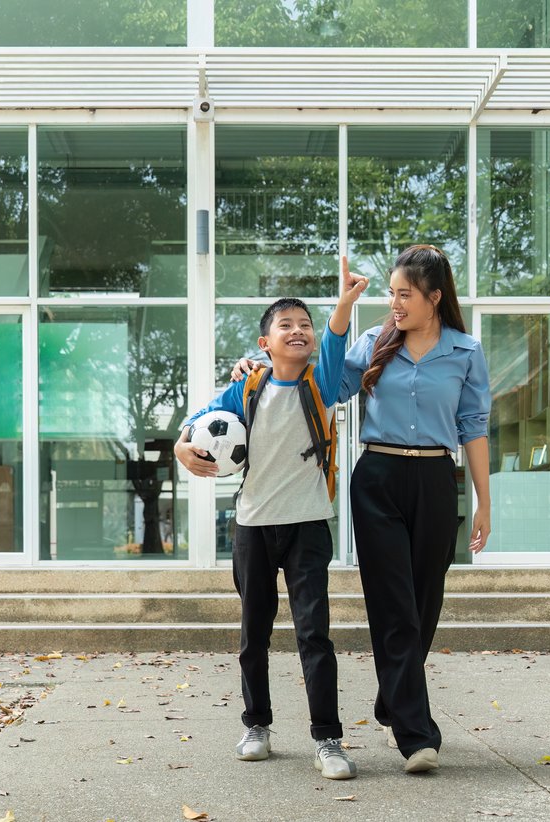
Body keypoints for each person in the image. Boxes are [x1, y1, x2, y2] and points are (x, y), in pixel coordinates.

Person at [235, 245, 492, 774]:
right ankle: (416, 735)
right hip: (376, 478)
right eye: (393, 293)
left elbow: (474, 427)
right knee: (393, 603)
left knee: (424, 603)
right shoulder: (375, 341)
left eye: (405, 295)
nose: (394, 304)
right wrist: (262, 361)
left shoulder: (466, 351)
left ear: (434, 298)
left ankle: (394, 695)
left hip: (437, 478)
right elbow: (323, 378)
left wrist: (485, 501)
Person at [174, 288, 366, 781]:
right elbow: (196, 423)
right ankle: (256, 726)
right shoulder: (247, 388)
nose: (298, 330)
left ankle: (327, 737)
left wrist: (344, 301)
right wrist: (181, 448)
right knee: (252, 634)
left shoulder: (321, 381)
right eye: (286, 325)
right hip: (253, 526)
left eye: (305, 323)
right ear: (266, 341)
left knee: (313, 635)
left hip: (306, 525)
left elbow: (338, 335)